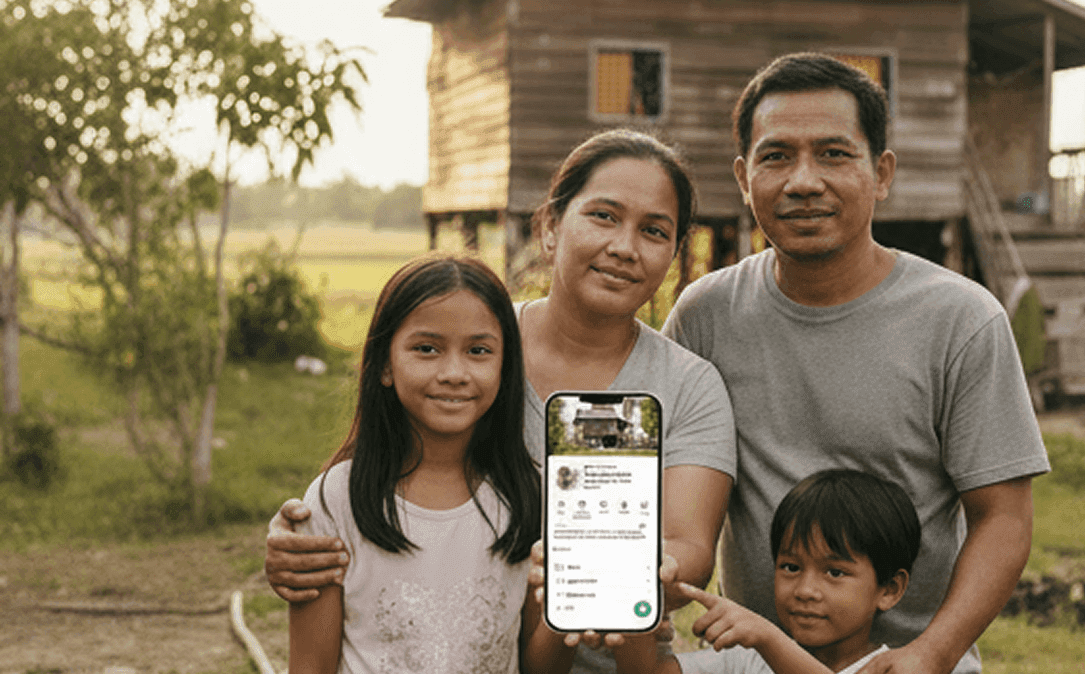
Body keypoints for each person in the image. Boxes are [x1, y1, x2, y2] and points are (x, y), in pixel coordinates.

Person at [268, 130, 738, 674]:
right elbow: (373, 472)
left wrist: (598, 571)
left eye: (654, 231)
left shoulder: (689, 384)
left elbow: (690, 550)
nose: (624, 247)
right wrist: (300, 545)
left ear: (674, 253)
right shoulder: (475, 338)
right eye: (604, 216)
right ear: (550, 227)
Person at [661, 53, 1050, 674]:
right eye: (776, 156)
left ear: (882, 172)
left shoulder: (961, 320)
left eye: (834, 154)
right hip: (756, 659)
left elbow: (1002, 518)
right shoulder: (706, 313)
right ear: (743, 176)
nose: (804, 180)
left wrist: (931, 653)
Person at [287, 255, 571, 673]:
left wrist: (573, 607)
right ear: (384, 363)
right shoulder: (336, 500)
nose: (454, 372)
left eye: (478, 350)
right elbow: (310, 666)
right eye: (426, 349)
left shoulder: (535, 495)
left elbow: (541, 669)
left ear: (505, 365)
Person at [614, 468, 921, 674]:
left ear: (889, 589)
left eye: (834, 572)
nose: (804, 590)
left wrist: (768, 637)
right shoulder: (744, 662)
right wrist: (635, 625)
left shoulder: (894, 668)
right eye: (791, 567)